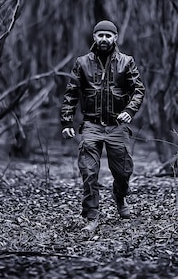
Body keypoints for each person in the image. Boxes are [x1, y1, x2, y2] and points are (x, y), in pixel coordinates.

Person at [61, 20, 146, 232]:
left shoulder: (126, 62)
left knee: (123, 171)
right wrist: (67, 121)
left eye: (109, 36)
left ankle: (120, 197)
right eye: (101, 35)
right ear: (94, 37)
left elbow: (138, 90)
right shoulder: (82, 63)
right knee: (89, 171)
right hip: (91, 125)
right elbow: (71, 93)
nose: (104, 39)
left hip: (117, 125)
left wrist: (129, 111)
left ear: (115, 38)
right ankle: (92, 216)